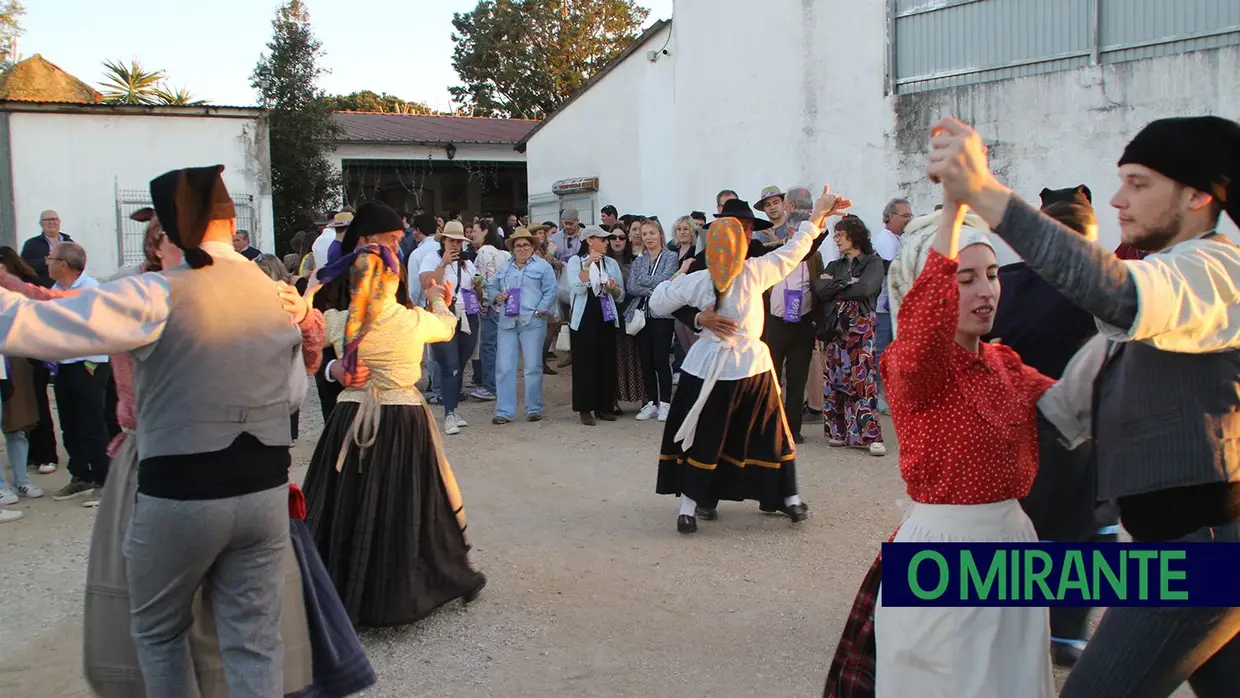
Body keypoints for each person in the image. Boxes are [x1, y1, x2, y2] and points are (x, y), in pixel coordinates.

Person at [929, 114, 1240, 698]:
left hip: (1196, 555)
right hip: (1179, 545)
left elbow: (1115, 293)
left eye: (1141, 184)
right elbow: (1065, 405)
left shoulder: (1213, 271)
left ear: (1199, 195)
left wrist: (984, 192)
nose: (1120, 201)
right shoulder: (1165, 281)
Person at [0, 165, 317, 697]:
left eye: (163, 229)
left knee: (158, 630)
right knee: (254, 642)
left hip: (183, 491)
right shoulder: (278, 294)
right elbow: (292, 396)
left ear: (177, 229)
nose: (160, 241)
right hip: (265, 489)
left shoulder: (157, 293)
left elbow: (27, 328)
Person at [824, 203, 1056, 698]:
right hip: (942, 549)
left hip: (1014, 543)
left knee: (1014, 682)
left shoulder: (1005, 363)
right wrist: (953, 211)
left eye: (991, 275)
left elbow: (1081, 404)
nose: (986, 290)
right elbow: (926, 320)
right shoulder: (911, 364)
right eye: (965, 277)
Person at [303, 202, 487, 628]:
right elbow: (444, 327)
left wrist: (308, 291)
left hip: (352, 414)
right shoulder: (410, 319)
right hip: (400, 415)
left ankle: (337, 589)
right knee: (412, 501)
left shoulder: (339, 319)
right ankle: (406, 588)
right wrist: (442, 301)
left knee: (343, 500)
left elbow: (304, 327)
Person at [648, 187, 848, 534]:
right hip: (716, 366)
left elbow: (794, 250)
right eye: (737, 232)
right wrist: (699, 319)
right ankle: (692, 505)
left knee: (769, 433)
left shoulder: (748, 270)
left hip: (746, 366)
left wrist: (817, 217)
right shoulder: (715, 275)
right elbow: (657, 300)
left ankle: (786, 497)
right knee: (708, 434)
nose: (742, 237)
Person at [813, 215, 887, 456]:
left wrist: (835, 285)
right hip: (837, 326)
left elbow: (867, 288)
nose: (836, 239)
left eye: (839, 234)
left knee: (862, 377)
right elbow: (819, 288)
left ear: (854, 236)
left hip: (861, 325)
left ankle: (870, 435)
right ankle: (839, 432)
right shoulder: (836, 265)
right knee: (835, 376)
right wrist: (847, 282)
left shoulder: (873, 262)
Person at [488, 228, 557, 423]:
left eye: (526, 244)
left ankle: (533, 408)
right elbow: (491, 286)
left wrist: (539, 311)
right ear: (513, 248)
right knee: (504, 367)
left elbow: (550, 291)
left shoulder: (543, 267)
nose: (522, 248)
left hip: (533, 322)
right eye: (518, 245)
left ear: (533, 246)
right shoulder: (504, 267)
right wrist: (497, 296)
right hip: (508, 321)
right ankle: (503, 411)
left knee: (533, 366)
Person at [418, 221, 479, 435]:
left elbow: (471, 290)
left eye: (459, 241)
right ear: (443, 240)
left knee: (461, 363)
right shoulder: (432, 258)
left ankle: (453, 409)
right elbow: (427, 284)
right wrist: (443, 264)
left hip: (468, 314)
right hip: (443, 314)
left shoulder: (467, 263)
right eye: (452, 240)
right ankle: (449, 414)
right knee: (449, 364)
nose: (456, 245)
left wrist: (479, 291)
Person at [566, 226, 626, 425]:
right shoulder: (575, 261)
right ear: (590, 240)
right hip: (584, 319)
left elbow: (621, 296)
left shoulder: (610, 263)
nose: (607, 242)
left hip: (606, 317)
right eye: (602, 239)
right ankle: (584, 408)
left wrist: (613, 288)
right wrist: (587, 267)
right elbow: (577, 288)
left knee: (606, 362)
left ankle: (604, 406)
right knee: (584, 364)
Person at [626, 218, 679, 421]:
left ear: (660, 234)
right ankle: (651, 402)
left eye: (652, 233)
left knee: (660, 359)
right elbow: (631, 286)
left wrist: (645, 283)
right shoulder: (639, 260)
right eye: (645, 234)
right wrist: (652, 289)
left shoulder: (670, 256)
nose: (648, 237)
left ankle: (665, 402)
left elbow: (666, 279)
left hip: (662, 316)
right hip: (641, 315)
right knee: (646, 360)